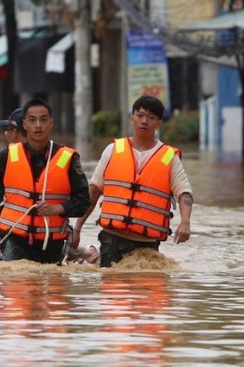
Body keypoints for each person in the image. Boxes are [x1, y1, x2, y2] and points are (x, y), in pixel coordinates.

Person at [72, 95, 194, 267]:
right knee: (113, 288)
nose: (144, 121)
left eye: (151, 118)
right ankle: (92, 253)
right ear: (132, 118)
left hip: (147, 243)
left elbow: (184, 192)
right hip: (112, 238)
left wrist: (185, 222)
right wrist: (77, 228)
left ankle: (90, 253)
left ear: (159, 123)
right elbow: (93, 192)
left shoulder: (169, 157)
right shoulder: (113, 150)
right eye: (140, 115)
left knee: (147, 289)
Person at [0, 98, 89, 263]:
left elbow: (83, 201)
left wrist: (56, 209)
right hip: (14, 238)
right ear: (24, 124)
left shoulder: (68, 157)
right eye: (32, 120)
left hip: (51, 242)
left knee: (51, 284)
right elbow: (3, 199)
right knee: (12, 280)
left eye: (43, 120)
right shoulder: (7, 155)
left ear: (51, 123)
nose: (38, 125)